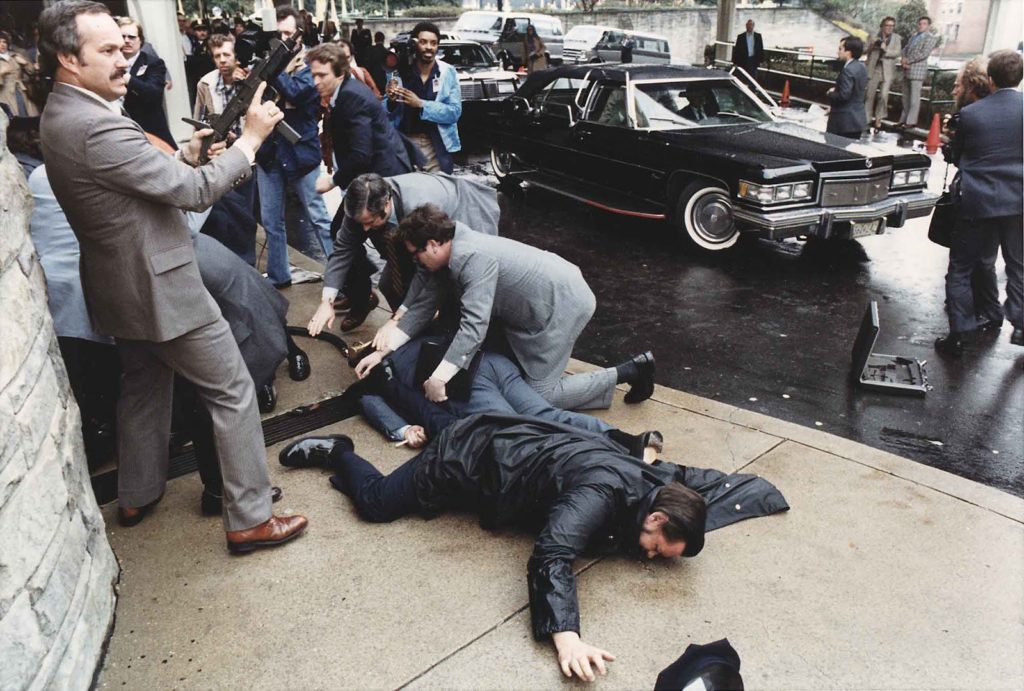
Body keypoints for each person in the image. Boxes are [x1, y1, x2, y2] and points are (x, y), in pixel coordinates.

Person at [37, 0, 307, 552]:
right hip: (161, 286)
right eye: (107, 50)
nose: (124, 59)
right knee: (233, 389)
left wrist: (188, 154)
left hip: (118, 285)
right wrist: (251, 139)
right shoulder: (95, 125)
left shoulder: (62, 113)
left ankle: (136, 493)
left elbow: (135, 183)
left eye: (122, 46)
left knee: (143, 386)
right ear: (68, 58)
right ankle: (251, 518)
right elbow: (194, 193)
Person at [279, 414, 708, 682]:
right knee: (377, 503)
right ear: (656, 518)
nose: (649, 556)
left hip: (506, 450)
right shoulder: (600, 494)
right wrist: (568, 639)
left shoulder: (656, 485)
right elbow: (552, 554)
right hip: (465, 457)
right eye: (656, 548)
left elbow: (704, 490)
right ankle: (338, 452)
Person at [357, 205, 656, 410]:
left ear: (434, 244)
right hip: (538, 303)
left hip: (561, 306)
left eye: (415, 255)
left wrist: (439, 378)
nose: (416, 262)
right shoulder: (450, 253)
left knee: (540, 398)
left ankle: (630, 371)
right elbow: (422, 307)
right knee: (516, 380)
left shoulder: (471, 258)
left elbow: (474, 326)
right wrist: (383, 352)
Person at [352, 335, 663, 461]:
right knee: (546, 415)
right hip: (490, 363)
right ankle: (627, 441)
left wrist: (403, 429)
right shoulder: (402, 337)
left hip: (466, 386)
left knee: (520, 435)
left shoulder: (378, 372)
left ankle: (599, 458)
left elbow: (367, 400)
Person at [309, 171, 500, 335]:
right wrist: (327, 301)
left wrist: (400, 315)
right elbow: (342, 249)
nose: (365, 229)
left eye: (370, 222)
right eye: (361, 223)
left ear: (386, 205)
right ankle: (414, 332)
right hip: (416, 233)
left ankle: (449, 336)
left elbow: (425, 271)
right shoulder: (360, 206)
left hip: (465, 212)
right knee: (388, 284)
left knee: (454, 290)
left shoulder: (419, 209)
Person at [936, 50, 1024, 354]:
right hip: (1018, 201)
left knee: (961, 268)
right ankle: (1021, 326)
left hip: (977, 201)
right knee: (1018, 265)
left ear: (991, 78)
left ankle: (959, 334)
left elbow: (957, 155)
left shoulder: (972, 114)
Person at [255, 5, 335, 288]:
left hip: (300, 153)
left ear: (299, 35)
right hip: (270, 153)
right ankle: (279, 275)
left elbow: (296, 92)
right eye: (278, 34)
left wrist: (269, 67)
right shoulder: (266, 62)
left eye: (288, 34)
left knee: (319, 217)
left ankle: (343, 278)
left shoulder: (311, 64)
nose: (283, 40)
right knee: (271, 221)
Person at [388, 21, 462, 174]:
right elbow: (387, 113)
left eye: (433, 43)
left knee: (438, 187)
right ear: (415, 44)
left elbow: (454, 112)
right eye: (423, 42)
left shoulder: (447, 72)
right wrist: (390, 102)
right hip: (403, 143)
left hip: (435, 145)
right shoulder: (400, 71)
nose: (429, 47)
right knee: (406, 188)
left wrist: (421, 104)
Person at [116, 17, 175, 149]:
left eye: (131, 37)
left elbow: (154, 94)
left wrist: (128, 79)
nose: (126, 40)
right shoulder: (109, 63)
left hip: (150, 130)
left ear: (140, 40)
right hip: (121, 131)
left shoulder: (153, 63)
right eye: (122, 36)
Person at [897, 16, 940, 129]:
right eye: (920, 23)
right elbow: (905, 49)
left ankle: (911, 121)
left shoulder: (930, 38)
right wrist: (903, 59)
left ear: (928, 26)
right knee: (905, 97)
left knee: (914, 98)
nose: (921, 26)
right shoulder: (914, 36)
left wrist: (908, 61)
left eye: (924, 24)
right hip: (907, 69)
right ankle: (903, 119)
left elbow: (924, 54)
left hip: (917, 70)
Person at [826, 36, 867, 140]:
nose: (838, 52)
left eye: (840, 49)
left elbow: (844, 95)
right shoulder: (862, 67)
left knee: (832, 148)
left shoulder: (848, 70)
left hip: (843, 122)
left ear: (848, 52)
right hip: (857, 121)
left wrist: (831, 93)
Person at [863, 16, 901, 130]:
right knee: (869, 95)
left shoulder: (896, 38)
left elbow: (897, 53)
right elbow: (864, 50)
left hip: (887, 70)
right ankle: (866, 118)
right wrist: (872, 45)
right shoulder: (874, 36)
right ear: (882, 26)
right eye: (887, 25)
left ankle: (879, 118)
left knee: (883, 96)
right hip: (874, 68)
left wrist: (885, 49)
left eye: (892, 26)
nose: (890, 28)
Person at [0, 30, 39, 117]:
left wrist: (25, 63)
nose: (2, 45)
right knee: (10, 119)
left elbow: (32, 72)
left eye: (4, 42)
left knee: (27, 115)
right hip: (4, 95)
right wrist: (1, 74)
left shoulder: (15, 55)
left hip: (21, 91)